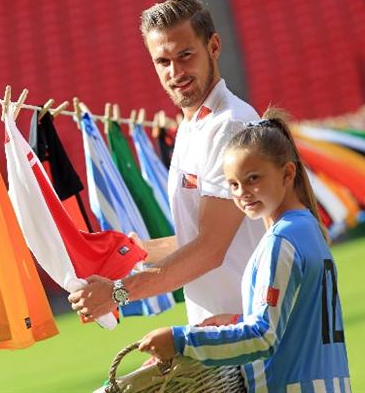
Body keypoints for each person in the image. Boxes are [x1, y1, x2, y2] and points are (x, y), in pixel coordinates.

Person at [69, 0, 265, 325]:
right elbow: (202, 238)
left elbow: (210, 248)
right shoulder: (193, 126)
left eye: (185, 55)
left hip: (252, 326)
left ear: (214, 47)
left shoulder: (229, 125)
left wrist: (117, 293)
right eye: (163, 61)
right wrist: (133, 252)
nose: (176, 72)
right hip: (226, 328)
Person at [138, 109, 351, 391]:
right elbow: (296, 322)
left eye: (253, 179)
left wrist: (179, 340)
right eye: (233, 184)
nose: (242, 193)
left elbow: (263, 338)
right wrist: (235, 322)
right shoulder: (308, 227)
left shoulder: (281, 240)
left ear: (287, 173)